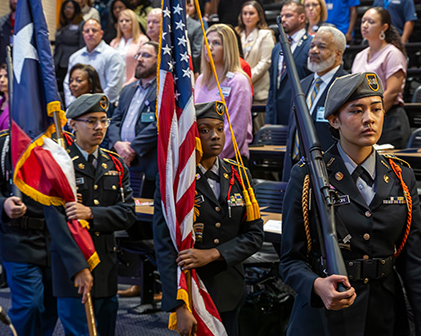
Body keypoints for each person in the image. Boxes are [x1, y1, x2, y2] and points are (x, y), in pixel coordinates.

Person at [279, 71, 421, 336]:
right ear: (334, 120)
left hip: (385, 315)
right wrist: (317, 285)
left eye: (377, 109)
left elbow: (415, 265)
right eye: (356, 111)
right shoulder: (308, 176)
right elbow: (290, 260)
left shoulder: (401, 175)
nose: (369, 119)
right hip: (325, 318)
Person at [154, 100, 264, 336]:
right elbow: (164, 246)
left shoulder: (239, 174)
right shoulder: (176, 182)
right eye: (205, 130)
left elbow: (254, 235)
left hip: (229, 288)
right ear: (191, 135)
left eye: (219, 128)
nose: (215, 136)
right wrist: (178, 304)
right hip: (192, 291)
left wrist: (213, 254)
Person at [44, 93, 135, 336]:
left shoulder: (115, 164)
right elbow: (55, 222)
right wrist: (78, 268)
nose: (99, 127)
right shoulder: (59, 165)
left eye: (104, 121)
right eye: (91, 121)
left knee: (105, 331)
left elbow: (127, 214)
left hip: (105, 265)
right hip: (71, 265)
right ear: (72, 124)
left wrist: (90, 213)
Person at [0, 131, 59, 336]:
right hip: (19, 237)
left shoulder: (63, 142)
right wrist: (2, 204)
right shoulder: (4, 143)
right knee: (29, 305)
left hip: (57, 238)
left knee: (52, 306)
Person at [283, 26, 348, 180]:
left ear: (338, 54)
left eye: (322, 47)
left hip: (328, 173)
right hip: (295, 168)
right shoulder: (303, 84)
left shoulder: (346, 86)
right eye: (312, 46)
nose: (313, 50)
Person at [352, 7, 410, 148]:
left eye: (370, 22)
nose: (365, 25)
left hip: (389, 119)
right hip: (365, 119)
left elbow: (392, 92)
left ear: (384, 27)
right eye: (363, 21)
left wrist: (373, 115)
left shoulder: (392, 53)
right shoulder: (360, 56)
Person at [107, 41, 159, 195]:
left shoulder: (163, 90)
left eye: (146, 55)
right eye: (139, 54)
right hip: (121, 160)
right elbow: (115, 121)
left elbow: (159, 123)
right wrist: (117, 144)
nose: (140, 59)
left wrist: (132, 148)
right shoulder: (127, 90)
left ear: (159, 61)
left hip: (146, 162)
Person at [196, 24, 253, 160]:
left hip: (225, 160)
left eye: (216, 43)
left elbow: (235, 130)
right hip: (199, 158)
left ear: (227, 48)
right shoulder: (200, 79)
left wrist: (211, 161)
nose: (209, 47)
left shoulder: (238, 81)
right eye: (207, 42)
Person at [265, 1, 312, 125]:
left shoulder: (311, 46)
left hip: (300, 116)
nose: (283, 19)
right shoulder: (277, 48)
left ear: (302, 18)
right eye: (282, 16)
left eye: (288, 15)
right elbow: (273, 89)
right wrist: (269, 119)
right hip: (277, 117)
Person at [64, 18, 125, 106]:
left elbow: (113, 87)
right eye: (87, 31)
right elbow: (67, 83)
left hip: (103, 108)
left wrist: (93, 107)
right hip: (76, 109)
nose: (90, 34)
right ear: (83, 34)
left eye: (94, 30)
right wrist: (74, 105)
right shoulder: (75, 57)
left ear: (101, 33)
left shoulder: (112, 56)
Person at [235, 1, 275, 110]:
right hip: (237, 91)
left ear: (259, 16)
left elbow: (265, 62)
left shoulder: (265, 34)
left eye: (251, 13)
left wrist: (244, 80)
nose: (247, 17)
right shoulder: (237, 33)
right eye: (245, 13)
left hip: (258, 91)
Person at [110, 9, 149, 85]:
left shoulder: (142, 40)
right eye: (121, 21)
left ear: (133, 22)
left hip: (134, 84)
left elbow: (143, 66)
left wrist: (129, 84)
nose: (124, 23)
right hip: (115, 84)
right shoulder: (114, 42)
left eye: (127, 21)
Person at [53, 0, 85, 90]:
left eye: (70, 7)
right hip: (59, 62)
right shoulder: (61, 25)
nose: (67, 10)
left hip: (73, 62)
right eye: (65, 8)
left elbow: (82, 45)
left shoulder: (81, 25)